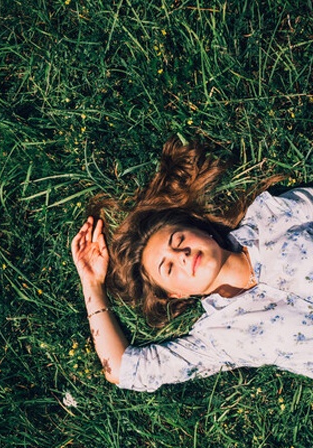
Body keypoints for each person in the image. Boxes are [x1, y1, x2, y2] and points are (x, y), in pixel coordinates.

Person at [71, 136, 313, 392]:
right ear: (176, 294)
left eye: (179, 239)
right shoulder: (219, 336)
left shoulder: (269, 217)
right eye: (169, 267)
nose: (182, 256)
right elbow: (122, 369)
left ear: (200, 230)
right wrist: (92, 285)